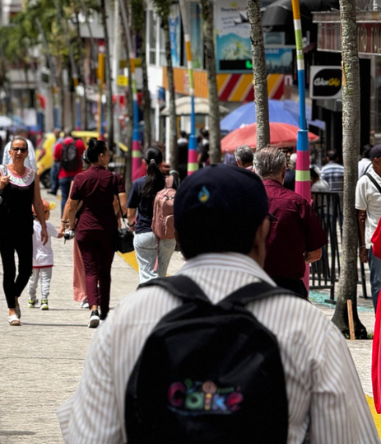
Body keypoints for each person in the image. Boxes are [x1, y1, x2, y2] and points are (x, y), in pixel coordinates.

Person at [57, 164, 379, 444]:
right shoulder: (307, 327)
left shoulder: (130, 318)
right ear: (263, 231)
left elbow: (89, 435)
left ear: (178, 234)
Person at [0, 138, 48, 326]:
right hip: (4, 227)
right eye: (15, 149)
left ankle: (15, 296)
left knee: (26, 269)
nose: (19, 152)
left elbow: (37, 201)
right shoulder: (1, 171)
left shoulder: (33, 175)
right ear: (10, 152)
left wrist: (43, 226)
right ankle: (11, 310)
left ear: (27, 153)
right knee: (9, 269)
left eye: (22, 149)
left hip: (25, 226)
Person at [65, 139, 123, 327]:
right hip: (107, 230)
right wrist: (120, 219)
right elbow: (119, 204)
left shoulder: (80, 178)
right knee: (104, 270)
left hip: (85, 229)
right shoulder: (115, 178)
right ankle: (104, 309)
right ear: (100, 156)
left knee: (90, 270)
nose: (108, 157)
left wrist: (69, 224)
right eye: (107, 154)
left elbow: (72, 206)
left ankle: (93, 310)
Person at [254, 147, 327, 298]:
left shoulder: (242, 200)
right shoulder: (298, 203)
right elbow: (315, 253)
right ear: (283, 172)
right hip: (289, 288)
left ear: (255, 170)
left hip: (251, 286)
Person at [127, 147, 177, 284]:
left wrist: (131, 225)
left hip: (145, 233)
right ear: (161, 162)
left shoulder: (138, 183)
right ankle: (160, 301)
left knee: (147, 274)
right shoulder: (170, 182)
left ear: (144, 162)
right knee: (161, 274)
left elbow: (130, 212)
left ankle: (150, 301)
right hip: (167, 234)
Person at [357, 145, 381, 310]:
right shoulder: (365, 182)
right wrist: (363, 247)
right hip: (375, 241)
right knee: (378, 282)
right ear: (376, 161)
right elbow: (361, 216)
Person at [28, 199, 63, 310]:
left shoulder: (29, 225)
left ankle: (31, 299)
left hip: (33, 259)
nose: (50, 214)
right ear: (43, 213)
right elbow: (58, 235)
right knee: (45, 280)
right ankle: (44, 300)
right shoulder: (48, 226)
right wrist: (65, 230)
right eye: (48, 211)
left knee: (32, 280)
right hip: (46, 259)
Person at [53, 133, 86, 217]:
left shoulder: (59, 145)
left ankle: (63, 218)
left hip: (63, 175)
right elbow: (85, 155)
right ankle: (76, 217)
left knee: (64, 197)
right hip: (77, 176)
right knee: (77, 198)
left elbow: (56, 158)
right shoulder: (79, 143)